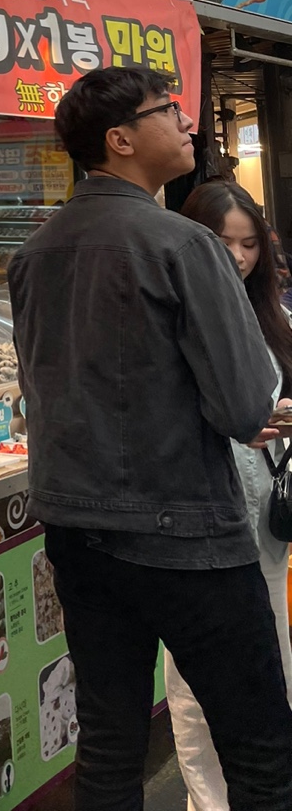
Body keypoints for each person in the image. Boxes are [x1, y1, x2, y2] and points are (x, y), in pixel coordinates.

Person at [7, 67, 292, 811]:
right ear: (121, 139)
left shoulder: (33, 254)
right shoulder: (182, 244)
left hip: (76, 533)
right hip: (188, 533)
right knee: (261, 748)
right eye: (168, 110)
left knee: (109, 743)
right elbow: (243, 406)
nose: (186, 122)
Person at [165, 181, 292, 811]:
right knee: (195, 683)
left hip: (265, 514)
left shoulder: (273, 318)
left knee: (272, 661)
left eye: (249, 244)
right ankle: (207, 803)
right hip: (198, 516)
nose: (238, 257)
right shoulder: (171, 316)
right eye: (223, 243)